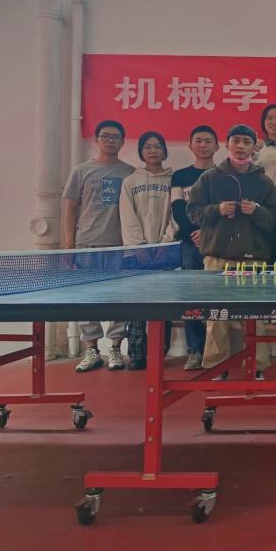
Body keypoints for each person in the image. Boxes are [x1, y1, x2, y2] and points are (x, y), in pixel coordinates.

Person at [187, 124, 276, 379]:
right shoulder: (209, 178)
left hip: (253, 262)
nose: (240, 146)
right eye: (236, 141)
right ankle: (217, 367)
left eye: (246, 142)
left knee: (254, 318)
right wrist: (216, 210)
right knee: (216, 319)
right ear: (227, 144)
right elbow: (193, 212)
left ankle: (257, 367)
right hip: (216, 260)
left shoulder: (264, 182)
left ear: (254, 146)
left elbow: (274, 221)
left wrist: (257, 211)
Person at [63, 120, 135, 373]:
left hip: (118, 246)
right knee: (86, 299)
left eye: (115, 137)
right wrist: (70, 245)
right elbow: (70, 208)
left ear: (123, 142)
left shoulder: (130, 173)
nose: (110, 140)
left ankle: (115, 347)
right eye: (105, 136)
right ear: (96, 140)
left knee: (119, 300)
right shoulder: (81, 171)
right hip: (87, 244)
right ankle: (91, 350)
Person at [120, 131, 176, 370]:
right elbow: (127, 216)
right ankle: (136, 354)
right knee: (137, 305)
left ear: (165, 151)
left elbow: (175, 215)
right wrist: (139, 246)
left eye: (158, 146)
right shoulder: (130, 182)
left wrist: (164, 243)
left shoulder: (174, 179)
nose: (153, 151)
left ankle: (158, 352)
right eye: (148, 147)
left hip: (165, 252)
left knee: (163, 305)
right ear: (141, 152)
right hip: (137, 253)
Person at [171, 126, 219, 370]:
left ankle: (215, 350)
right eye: (198, 141)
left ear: (217, 146)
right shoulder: (179, 176)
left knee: (217, 298)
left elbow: (224, 210)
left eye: (208, 141)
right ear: (190, 146)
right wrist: (195, 232)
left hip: (217, 246)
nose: (203, 145)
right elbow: (179, 210)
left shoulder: (223, 174)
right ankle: (195, 350)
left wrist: (208, 233)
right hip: (190, 245)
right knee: (190, 298)